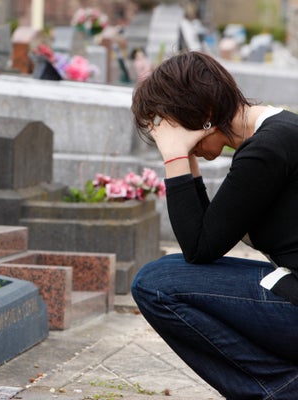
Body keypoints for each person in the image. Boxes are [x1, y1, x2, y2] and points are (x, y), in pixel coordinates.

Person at [130, 51, 298, 399]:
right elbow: (209, 233)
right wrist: (187, 156)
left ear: (205, 115)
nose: (170, 137)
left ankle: (281, 390)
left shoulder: (266, 149)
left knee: (155, 284)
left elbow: (199, 247)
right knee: (166, 270)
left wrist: (175, 156)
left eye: (172, 126)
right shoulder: (276, 133)